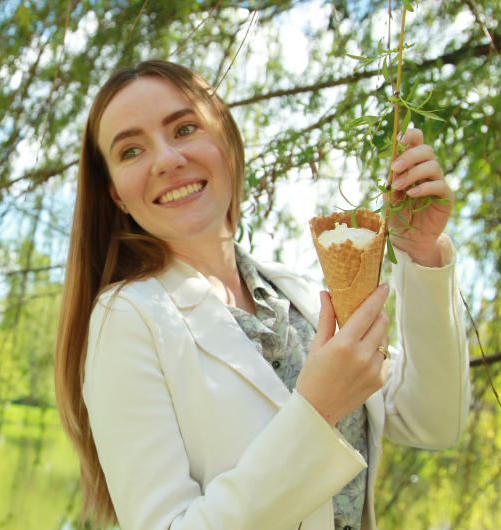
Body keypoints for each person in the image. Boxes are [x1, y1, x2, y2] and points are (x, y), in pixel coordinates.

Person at [55, 59, 469, 530]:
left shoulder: (296, 297)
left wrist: (422, 253)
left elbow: (433, 421)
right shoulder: (127, 318)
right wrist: (318, 409)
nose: (167, 159)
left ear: (227, 141)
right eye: (131, 151)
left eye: (185, 128)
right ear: (116, 195)